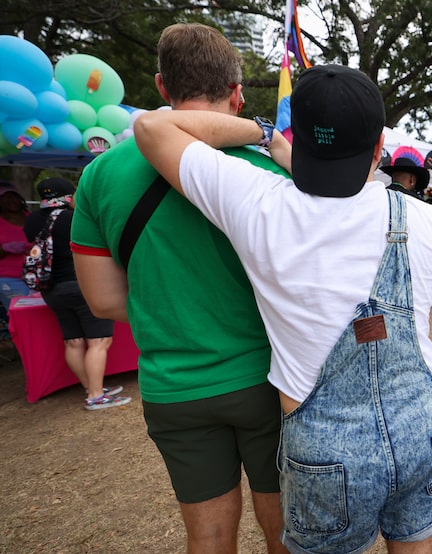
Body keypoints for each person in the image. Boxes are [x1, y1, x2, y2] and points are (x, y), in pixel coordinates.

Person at [131, 64, 432, 554]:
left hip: (323, 448)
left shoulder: (254, 201)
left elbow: (150, 127)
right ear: (378, 149)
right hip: (420, 426)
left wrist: (264, 133)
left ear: (299, 139)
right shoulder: (418, 215)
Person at [71, 23, 289, 553]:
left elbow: (102, 300)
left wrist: (176, 309)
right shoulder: (269, 167)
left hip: (175, 385)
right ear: (237, 93)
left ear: (162, 87)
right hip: (268, 377)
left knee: (208, 535)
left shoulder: (99, 176)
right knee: (288, 525)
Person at [23, 178, 129, 410]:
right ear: (69, 197)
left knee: (73, 342)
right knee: (99, 341)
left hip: (50, 289)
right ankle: (96, 395)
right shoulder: (73, 218)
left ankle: (91, 387)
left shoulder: (32, 220)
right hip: (79, 285)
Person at [0, 181, 32, 323]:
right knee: (21, 316)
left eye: (14, 196)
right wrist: (5, 249)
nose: (11, 201)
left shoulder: (32, 218)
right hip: (9, 277)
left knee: (37, 315)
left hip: (36, 276)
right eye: (6, 197)